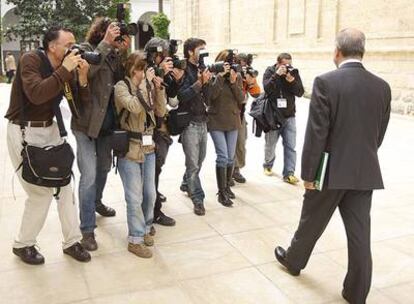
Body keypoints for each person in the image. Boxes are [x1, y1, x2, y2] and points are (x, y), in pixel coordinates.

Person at [274, 28, 391, 304]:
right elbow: (379, 133)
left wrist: (308, 174)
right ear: (362, 51)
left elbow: (317, 133)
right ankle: (357, 291)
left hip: (328, 171)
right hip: (364, 171)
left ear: (337, 51)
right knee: (360, 234)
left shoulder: (326, 82)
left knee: (311, 220)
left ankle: (293, 260)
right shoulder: (382, 86)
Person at [5, 26, 91, 265]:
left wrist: (82, 79)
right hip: (24, 130)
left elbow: (78, 109)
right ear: (52, 46)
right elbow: (37, 93)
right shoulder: (31, 59)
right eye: (68, 44)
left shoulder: (66, 68)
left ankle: (72, 241)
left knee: (65, 186)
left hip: (50, 130)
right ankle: (23, 244)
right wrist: (65, 70)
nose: (74, 48)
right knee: (39, 192)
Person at [72, 18, 129, 251]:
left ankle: (96, 202)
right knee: (88, 177)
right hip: (85, 125)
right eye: (111, 32)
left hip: (107, 126)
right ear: (101, 32)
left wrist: (122, 52)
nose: (115, 36)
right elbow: (88, 74)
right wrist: (106, 43)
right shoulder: (85, 50)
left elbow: (124, 83)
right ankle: (87, 230)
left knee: (104, 168)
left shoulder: (115, 55)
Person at [114, 51, 162, 258]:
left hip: (149, 145)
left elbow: (160, 112)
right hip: (130, 147)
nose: (145, 72)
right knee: (134, 196)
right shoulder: (120, 87)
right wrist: (144, 85)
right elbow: (134, 106)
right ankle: (135, 239)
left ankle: (146, 227)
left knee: (150, 193)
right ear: (134, 70)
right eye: (142, 68)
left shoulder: (149, 86)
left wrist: (157, 89)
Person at [143, 37, 184, 228]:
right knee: (151, 171)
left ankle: (153, 202)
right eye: (164, 56)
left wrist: (173, 79)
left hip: (160, 127)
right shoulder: (143, 71)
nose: (168, 60)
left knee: (156, 169)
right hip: (147, 130)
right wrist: (156, 81)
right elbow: (154, 106)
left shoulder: (160, 73)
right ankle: (154, 211)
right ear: (155, 55)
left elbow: (171, 99)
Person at [177, 38, 212, 216]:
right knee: (193, 165)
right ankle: (198, 199)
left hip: (203, 121)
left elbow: (209, 97)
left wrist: (208, 82)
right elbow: (182, 96)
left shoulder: (203, 69)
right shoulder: (183, 69)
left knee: (199, 161)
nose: (204, 52)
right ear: (190, 52)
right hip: (189, 123)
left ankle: (186, 182)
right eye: (201, 49)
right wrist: (199, 82)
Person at [208, 50, 245, 206]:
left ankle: (227, 186)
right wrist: (221, 77)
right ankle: (221, 193)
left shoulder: (236, 75)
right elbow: (211, 96)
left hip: (233, 120)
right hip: (216, 121)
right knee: (223, 156)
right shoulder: (213, 74)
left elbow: (241, 98)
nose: (230, 66)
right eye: (227, 63)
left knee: (230, 157)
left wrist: (233, 81)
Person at [262, 52, 304, 184]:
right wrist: (276, 75)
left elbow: (300, 92)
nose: (287, 67)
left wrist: (292, 82)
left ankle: (289, 173)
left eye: (289, 64)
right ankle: (268, 165)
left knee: (290, 145)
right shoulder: (270, 71)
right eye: (285, 65)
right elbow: (267, 88)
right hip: (273, 115)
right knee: (271, 143)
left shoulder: (293, 73)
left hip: (289, 115)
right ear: (278, 63)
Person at [232, 53, 261, 184]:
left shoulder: (248, 75)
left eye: (246, 64)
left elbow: (256, 93)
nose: (244, 67)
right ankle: (229, 171)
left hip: (241, 114)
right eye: (241, 64)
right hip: (229, 113)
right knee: (229, 145)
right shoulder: (231, 72)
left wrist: (250, 81)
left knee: (241, 143)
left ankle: (236, 169)